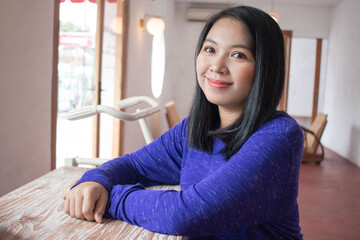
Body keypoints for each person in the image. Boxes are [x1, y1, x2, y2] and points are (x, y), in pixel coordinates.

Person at [63, 5, 304, 240]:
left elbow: (186, 214)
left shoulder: (278, 137)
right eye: (210, 49)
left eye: (238, 55)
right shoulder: (194, 128)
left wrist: (109, 197)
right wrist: (96, 180)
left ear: (264, 68)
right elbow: (136, 165)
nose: (216, 66)